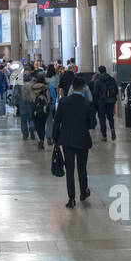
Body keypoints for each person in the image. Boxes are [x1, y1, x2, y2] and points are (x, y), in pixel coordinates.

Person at [52, 77, 97, 208]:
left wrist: (56, 139)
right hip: (82, 140)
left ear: (72, 86)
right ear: (83, 88)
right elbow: (93, 124)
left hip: (67, 140)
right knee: (82, 168)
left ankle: (71, 198)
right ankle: (83, 192)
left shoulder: (64, 102)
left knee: (70, 169)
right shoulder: (87, 104)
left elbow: (57, 122)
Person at [91, 66, 119, 141]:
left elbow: (95, 93)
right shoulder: (112, 79)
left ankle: (104, 136)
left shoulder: (98, 80)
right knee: (110, 116)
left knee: (102, 118)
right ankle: (112, 129)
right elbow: (116, 90)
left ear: (99, 71)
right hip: (111, 101)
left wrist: (95, 102)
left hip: (102, 102)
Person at [29, 73, 51, 149]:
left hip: (35, 109)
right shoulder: (46, 88)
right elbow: (48, 99)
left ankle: (39, 139)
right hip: (44, 109)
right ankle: (42, 139)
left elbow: (31, 98)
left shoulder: (33, 88)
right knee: (42, 125)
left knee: (37, 125)